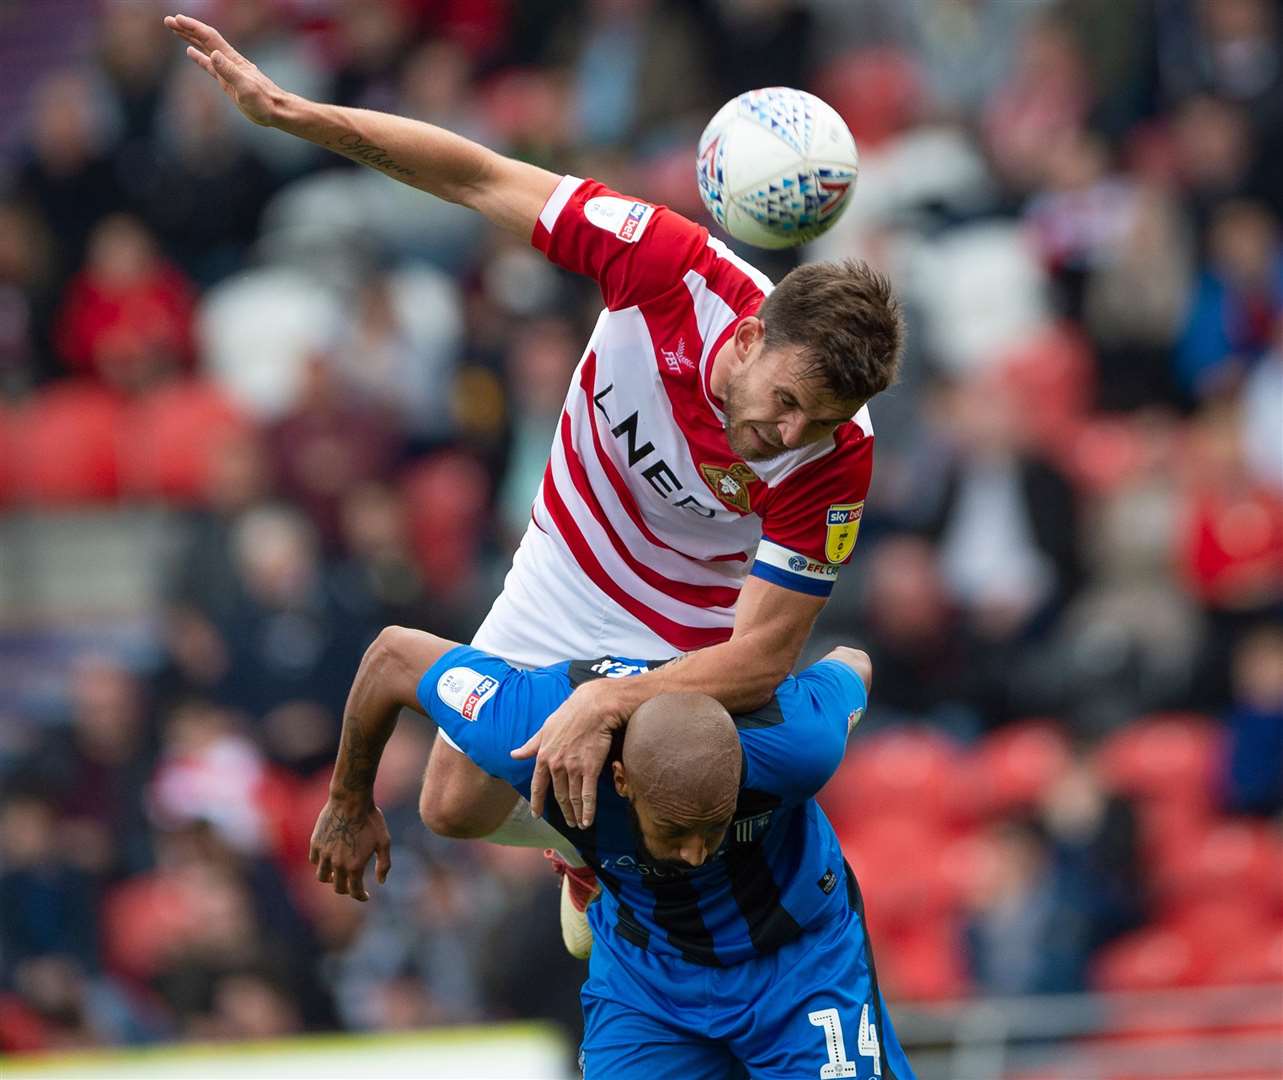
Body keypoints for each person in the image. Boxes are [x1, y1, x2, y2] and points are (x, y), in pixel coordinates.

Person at [166, 14, 903, 948]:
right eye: (789, 401)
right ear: (752, 337)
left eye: (820, 421)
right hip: (567, 561)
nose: (788, 435)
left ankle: (621, 861)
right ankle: (583, 849)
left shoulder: (837, 455)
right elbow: (474, 175)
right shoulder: (665, 263)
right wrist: (291, 113)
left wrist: (611, 700)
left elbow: (759, 655)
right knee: (450, 806)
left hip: (691, 623)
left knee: (674, 796)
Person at [309, 625, 915, 1080]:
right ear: (621, 781)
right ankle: (583, 865)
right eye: (677, 831)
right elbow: (391, 656)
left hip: (799, 964)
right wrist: (348, 801)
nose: (697, 852)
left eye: (716, 826)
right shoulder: (527, 721)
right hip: (649, 976)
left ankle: (585, 866)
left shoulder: (797, 744)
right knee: (448, 807)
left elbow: (852, 662)